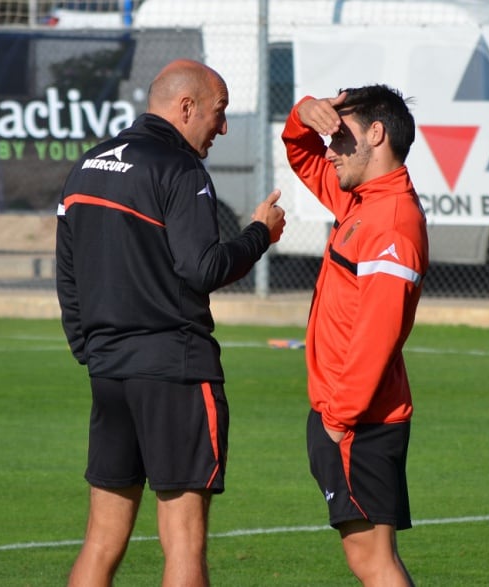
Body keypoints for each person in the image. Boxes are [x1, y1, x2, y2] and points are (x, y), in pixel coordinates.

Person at [55, 58, 285, 587]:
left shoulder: (87, 165)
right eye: (218, 112)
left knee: (100, 541)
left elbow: (67, 276)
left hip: (110, 373)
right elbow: (202, 268)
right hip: (176, 373)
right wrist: (258, 232)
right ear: (187, 107)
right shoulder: (179, 169)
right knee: (183, 540)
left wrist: (91, 350)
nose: (222, 128)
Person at [281, 85, 429, 586]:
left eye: (341, 136)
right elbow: (301, 152)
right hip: (350, 414)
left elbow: (378, 332)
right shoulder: (360, 198)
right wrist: (305, 113)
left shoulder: (388, 220)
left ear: (377, 133)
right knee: (369, 559)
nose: (331, 149)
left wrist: (338, 420)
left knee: (374, 562)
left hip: (357, 419)